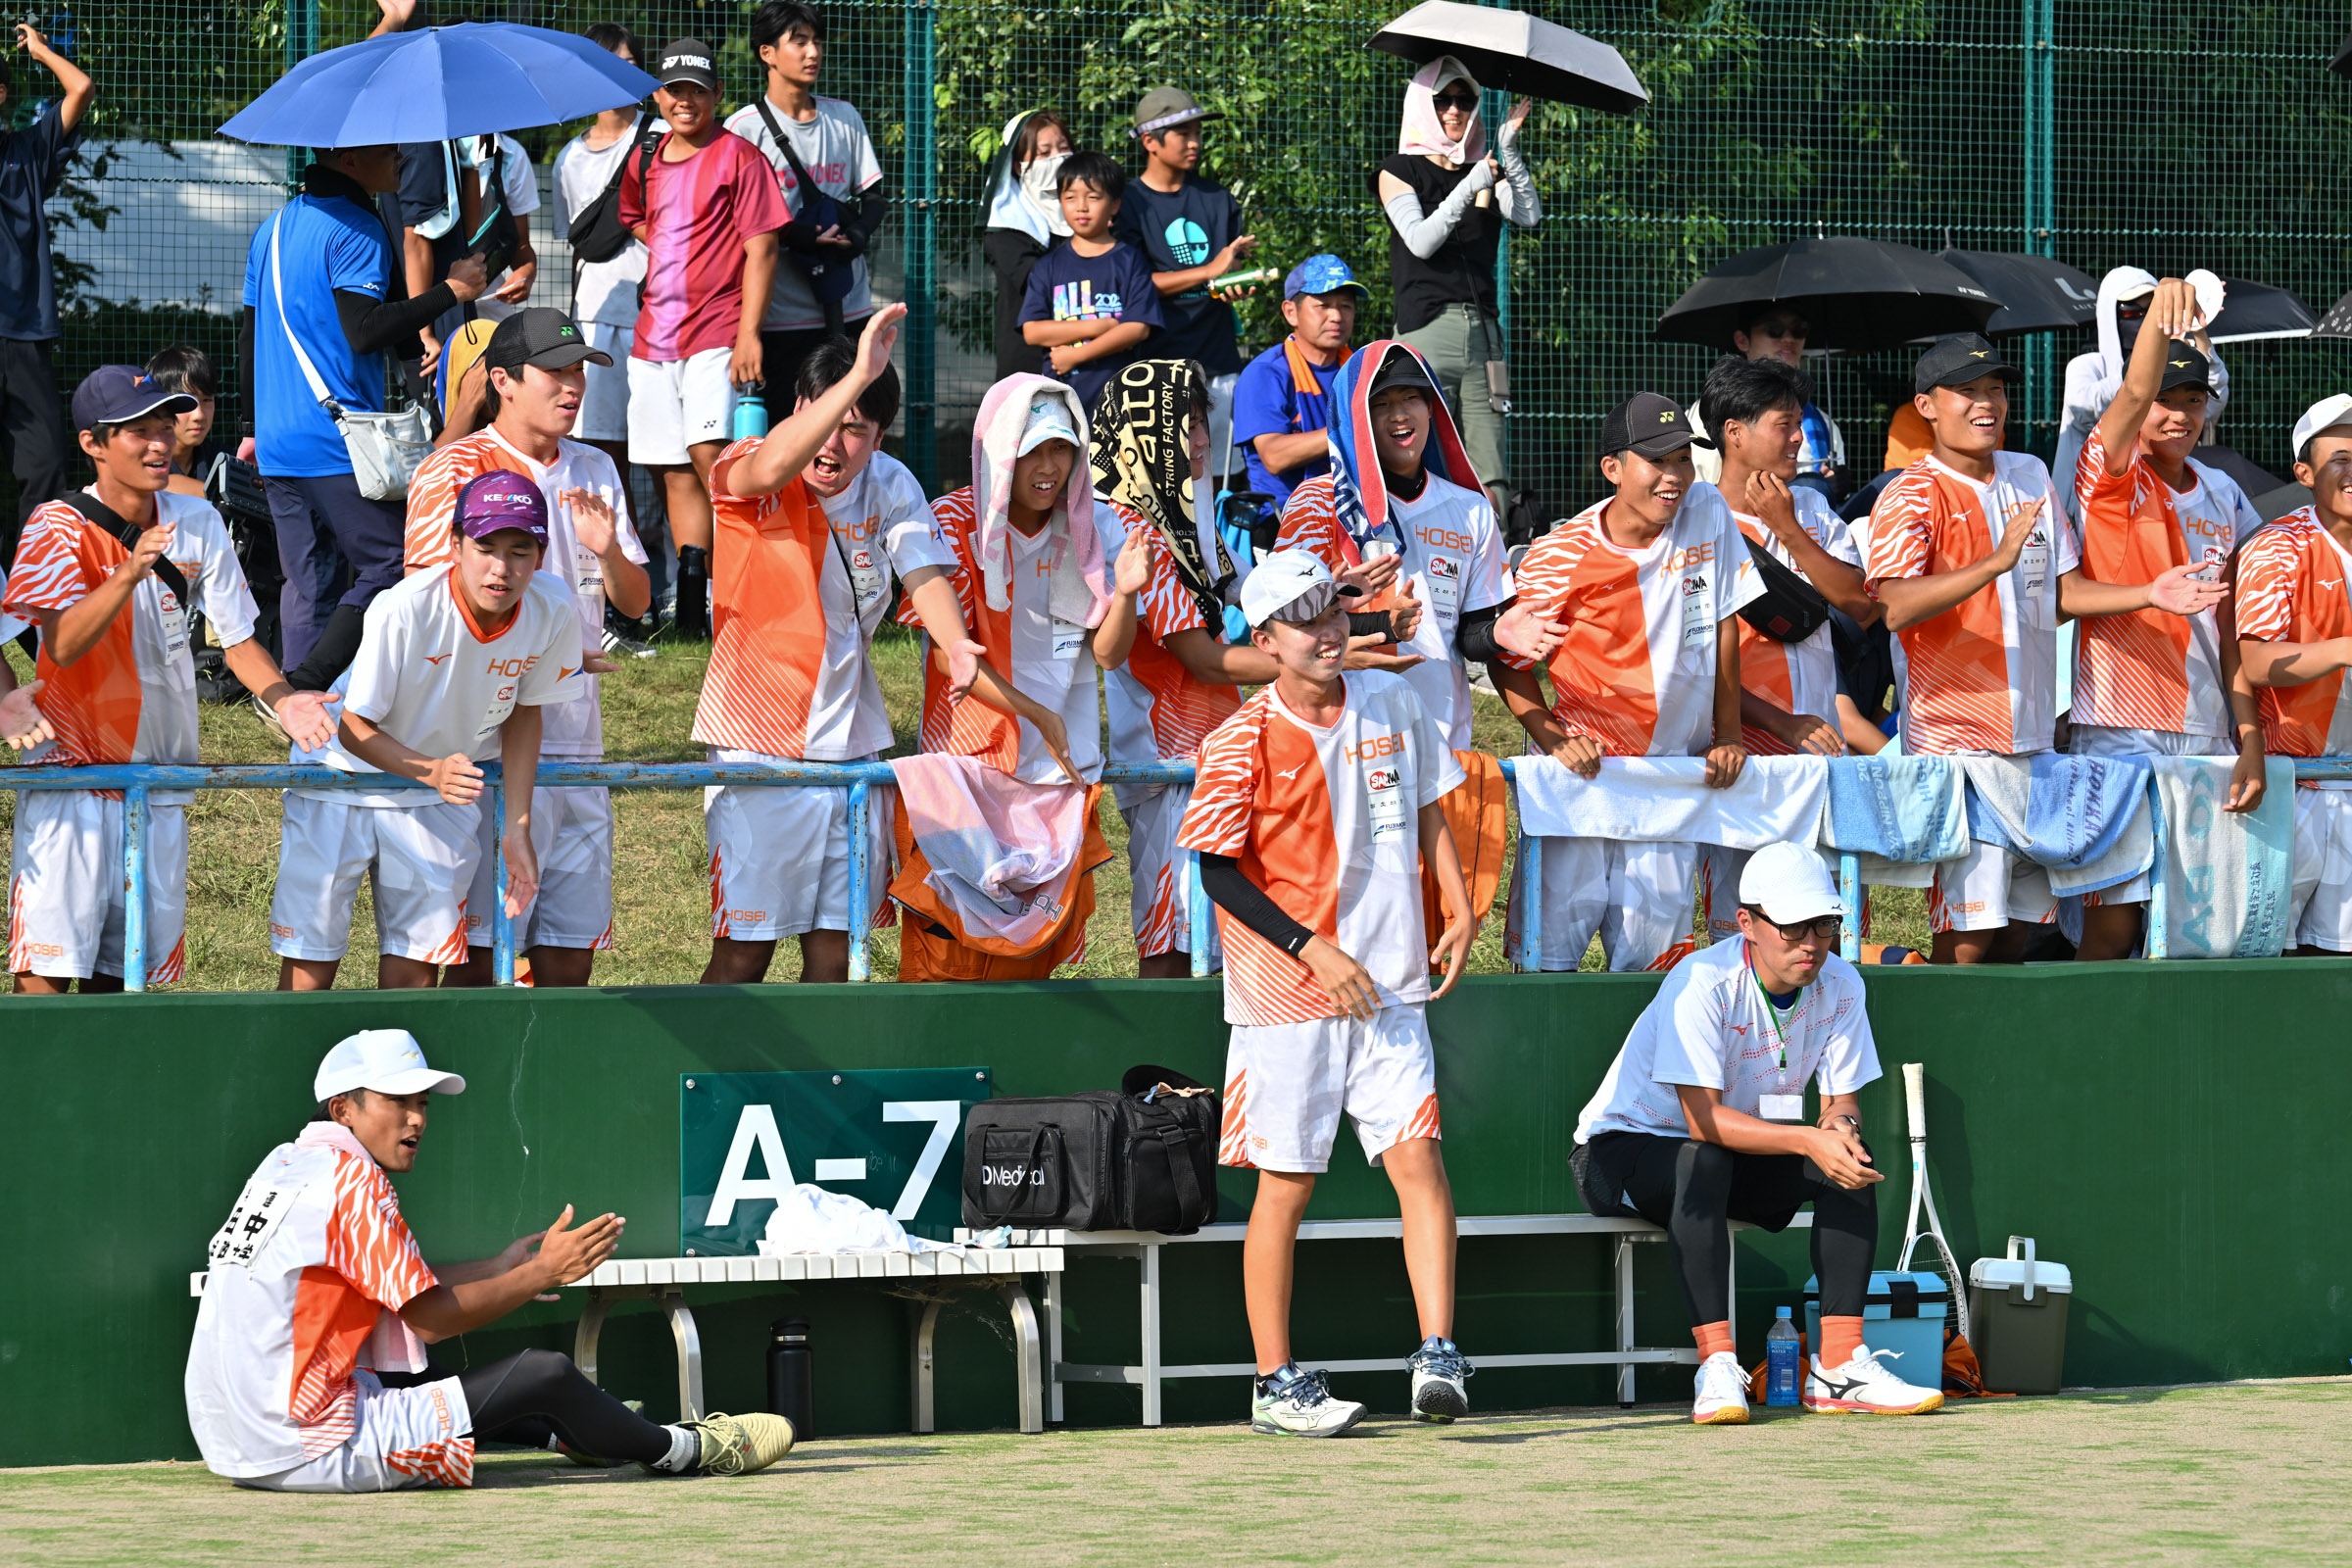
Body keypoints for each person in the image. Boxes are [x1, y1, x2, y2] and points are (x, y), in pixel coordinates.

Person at [184, 1028, 795, 1491]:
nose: (417, 1118)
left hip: (233, 1443)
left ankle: (578, 1431)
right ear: (343, 1109)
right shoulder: (353, 1180)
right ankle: (684, 1450)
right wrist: (541, 1273)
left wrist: (497, 1271)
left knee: (414, 1372)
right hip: (307, 1447)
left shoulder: (286, 1164)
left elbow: (386, 1287)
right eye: (398, 1101)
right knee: (543, 1374)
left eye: (423, 1102)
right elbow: (429, 1319)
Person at [1175, 549, 1477, 1436]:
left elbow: (1430, 804)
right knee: (1288, 1186)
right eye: (1304, 622)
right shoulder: (1237, 740)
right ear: (1266, 640)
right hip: (1287, 999)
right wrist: (1312, 950)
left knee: (1419, 1160)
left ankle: (1437, 1353)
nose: (1327, 632)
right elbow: (1218, 874)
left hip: (1391, 985)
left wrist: (1458, 902)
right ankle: (1274, 1382)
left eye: (1335, 613)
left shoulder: (1392, 700)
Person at [1865, 334, 2224, 964]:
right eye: (1967, 391)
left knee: (2015, 935)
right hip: (1958, 748)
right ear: (1926, 406)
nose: (1986, 403)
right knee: (1968, 942)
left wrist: (2149, 593)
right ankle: (1933, 1026)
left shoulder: (2028, 473)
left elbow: (2065, 594)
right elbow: (1893, 605)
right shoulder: (1910, 492)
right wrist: (1993, 562)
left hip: (2034, 748)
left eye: (1995, 389)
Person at [698, 308, 1026, 984]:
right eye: (825, 417)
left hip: (852, 746)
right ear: (799, 408)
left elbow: (924, 573)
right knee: (744, 953)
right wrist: (857, 377)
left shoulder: (892, 482)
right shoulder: (746, 464)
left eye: (856, 430)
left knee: (839, 953)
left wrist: (958, 644)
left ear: (879, 437)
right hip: (756, 748)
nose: (833, 445)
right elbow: (769, 469)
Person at [1572, 841, 1942, 1424]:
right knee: (1705, 1158)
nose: (1811, 942)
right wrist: (1808, 1139)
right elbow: (1703, 1121)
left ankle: (1840, 1366)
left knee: (1847, 1157)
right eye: (1793, 927)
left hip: (1734, 1153)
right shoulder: (1702, 981)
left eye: (1824, 925)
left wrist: (1838, 1130)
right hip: (1620, 1154)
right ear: (1747, 924)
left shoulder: (1843, 983)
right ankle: (1717, 1366)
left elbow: (1842, 1101)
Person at [3, 368, 334, 993]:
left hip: (161, 781)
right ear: (93, 444)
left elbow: (239, 642)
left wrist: (285, 700)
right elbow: (62, 646)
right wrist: (128, 574)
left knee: (126, 979)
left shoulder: (198, 520)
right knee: (45, 976)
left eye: (164, 427)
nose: (160, 444)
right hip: (71, 780)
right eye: (139, 432)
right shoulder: (55, 525)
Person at [401, 309, 650, 988]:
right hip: (483, 750)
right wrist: (549, 656)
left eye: (580, 371)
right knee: (482, 953)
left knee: (570, 954)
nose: (573, 386)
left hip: (579, 745)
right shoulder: (452, 469)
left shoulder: (596, 466)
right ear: (503, 381)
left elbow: (636, 603)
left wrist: (608, 552)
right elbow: (428, 609)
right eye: (556, 372)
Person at [270, 473, 584, 992]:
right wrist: (430, 770)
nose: (501, 568)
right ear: (455, 545)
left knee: (418, 963)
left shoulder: (552, 606)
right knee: (311, 961)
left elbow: (526, 713)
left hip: (438, 789)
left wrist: (517, 827)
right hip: (340, 777)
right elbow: (354, 728)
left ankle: (399, 1050)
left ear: (541, 555)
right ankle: (292, 1050)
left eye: (520, 551)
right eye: (485, 548)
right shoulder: (405, 606)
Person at [1493, 393, 1767, 973]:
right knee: (1547, 969)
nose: (1674, 476)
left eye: (1683, 459)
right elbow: (1506, 662)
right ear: (1612, 469)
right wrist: (1553, 739)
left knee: (1653, 972)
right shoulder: (1557, 556)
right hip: (1581, 783)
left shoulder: (1706, 508)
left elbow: (1724, 624)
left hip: (1669, 782)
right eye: (1657, 461)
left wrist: (1730, 736)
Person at [891, 378, 1151, 979]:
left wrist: (1127, 595)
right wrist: (1035, 712)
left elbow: (1109, 655)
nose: (1049, 467)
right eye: (1031, 449)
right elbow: (949, 657)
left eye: (1061, 449)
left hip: (1060, 775)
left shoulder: (1097, 524)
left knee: (1037, 962)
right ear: (997, 450)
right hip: (966, 766)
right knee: (944, 955)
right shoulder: (951, 520)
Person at [2068, 277, 2267, 960]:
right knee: (2116, 921)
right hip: (2121, 726)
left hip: (2207, 728)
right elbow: (2128, 395)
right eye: (2165, 400)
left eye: (2193, 400)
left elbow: (2235, 627)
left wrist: (2248, 735)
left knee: (2194, 920)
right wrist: (2158, 311)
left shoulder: (2226, 492)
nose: (2179, 415)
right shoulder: (2108, 475)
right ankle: (2089, 1026)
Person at [242, 143, 486, 689]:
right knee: (395, 560)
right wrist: (452, 291)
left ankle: (301, 715)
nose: (400, 156)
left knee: (309, 582)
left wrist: (250, 430)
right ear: (349, 159)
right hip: (335, 441)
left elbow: (250, 337)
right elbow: (364, 329)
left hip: (279, 443)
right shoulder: (357, 227)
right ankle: (310, 685)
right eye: (387, 149)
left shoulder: (273, 229)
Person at [1690, 355, 1883, 940]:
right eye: (1785, 424)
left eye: (1800, 423)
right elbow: (1694, 662)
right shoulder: (1692, 520)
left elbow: (1862, 604)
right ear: (1734, 432)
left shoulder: (1814, 509)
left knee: (1829, 928)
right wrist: (1782, 722)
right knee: (1743, 930)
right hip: (1736, 762)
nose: (1800, 438)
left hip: (1816, 759)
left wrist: (1789, 527)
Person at [620, 38, 789, 642]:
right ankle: (696, 604)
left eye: (696, 90)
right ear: (657, 96)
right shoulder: (645, 157)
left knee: (715, 461)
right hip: (651, 339)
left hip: (718, 332)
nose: (684, 101)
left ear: (717, 94)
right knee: (673, 471)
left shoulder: (741, 156)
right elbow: (635, 217)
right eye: (673, 90)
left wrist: (749, 334)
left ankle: (747, 594)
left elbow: (763, 247)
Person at [1374, 57, 1537, 520]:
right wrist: (1469, 186)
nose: (1454, 110)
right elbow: (1421, 241)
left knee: (1491, 465)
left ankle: (1494, 551)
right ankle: (1419, 550)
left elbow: (1528, 214)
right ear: (1421, 105)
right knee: (1416, 456)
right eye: (1442, 99)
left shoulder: (1485, 171)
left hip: (1483, 336)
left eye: (1465, 100)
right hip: (1427, 331)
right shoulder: (1399, 170)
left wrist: (1509, 150)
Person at [2233, 394, 2352, 955]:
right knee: (2263, 952)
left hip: (2347, 784)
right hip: (2291, 784)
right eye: (2341, 460)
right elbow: (2258, 664)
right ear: (2304, 474)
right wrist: (2343, 650)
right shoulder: (2277, 545)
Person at [727, 2, 891, 396]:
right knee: (785, 420)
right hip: (779, 315)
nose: (813, 52)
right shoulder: (743, 130)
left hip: (847, 306)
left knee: (850, 416)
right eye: (799, 42)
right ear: (767, 52)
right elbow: (736, 225)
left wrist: (858, 234)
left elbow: (874, 198)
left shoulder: (844, 117)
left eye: (817, 41)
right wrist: (797, 236)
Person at [1117, 88, 1252, 481]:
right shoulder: (1127, 204)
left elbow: (1226, 270)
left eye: (1197, 132)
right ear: (1149, 141)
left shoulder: (1218, 199)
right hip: (1153, 368)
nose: (1195, 142)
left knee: (1219, 479)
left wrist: (1233, 281)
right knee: (1160, 482)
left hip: (1218, 363)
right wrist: (1209, 271)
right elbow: (1135, 287)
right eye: (1183, 133)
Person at [0, 24, 92, 564]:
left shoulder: (29, 151)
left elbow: (80, 89)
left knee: (46, 470)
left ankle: (33, 593)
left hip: (24, 338)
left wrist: (40, 51)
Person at [552, 24, 659, 484]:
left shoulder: (664, 136)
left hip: (662, 315)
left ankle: (681, 537)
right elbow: (575, 242)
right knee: (604, 451)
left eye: (629, 63)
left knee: (669, 454)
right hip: (595, 317)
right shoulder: (568, 159)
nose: (618, 73)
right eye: (607, 62)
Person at [2055, 267, 2230, 529]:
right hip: (2081, 510)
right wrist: (2148, 362)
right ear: (2110, 313)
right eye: (2134, 313)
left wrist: (2197, 333)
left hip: (2148, 509)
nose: (2146, 321)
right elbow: (2089, 408)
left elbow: (2212, 404)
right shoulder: (2087, 366)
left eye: (2153, 311)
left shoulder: (2166, 368)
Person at [1019, 152, 1164, 416]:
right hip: (1062, 403)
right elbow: (1032, 331)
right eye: (1070, 197)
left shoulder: (1130, 260)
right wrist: (1102, 325)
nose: (1081, 207)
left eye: (1093, 197)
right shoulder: (1048, 265)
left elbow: (1138, 328)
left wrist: (1077, 355)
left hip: (1122, 401)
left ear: (1115, 205)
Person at [1231, 255, 1364, 510]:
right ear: (1291, 312)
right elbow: (1275, 456)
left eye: (1346, 306)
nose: (1337, 316)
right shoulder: (1265, 373)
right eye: (1323, 305)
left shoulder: (1363, 368)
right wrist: (1357, 428)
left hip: (1354, 508)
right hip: (1283, 517)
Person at [1688, 307, 1845, 500]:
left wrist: (1836, 486)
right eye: (1774, 330)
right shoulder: (1713, 412)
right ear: (1742, 340)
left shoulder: (1824, 422)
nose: (1788, 339)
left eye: (1798, 330)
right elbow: (1700, 487)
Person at [982, 110, 1073, 381]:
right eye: (1044, 153)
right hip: (1028, 359)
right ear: (1018, 165)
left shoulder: (1093, 214)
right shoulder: (1007, 224)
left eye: (1064, 148)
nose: (1058, 159)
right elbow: (1036, 280)